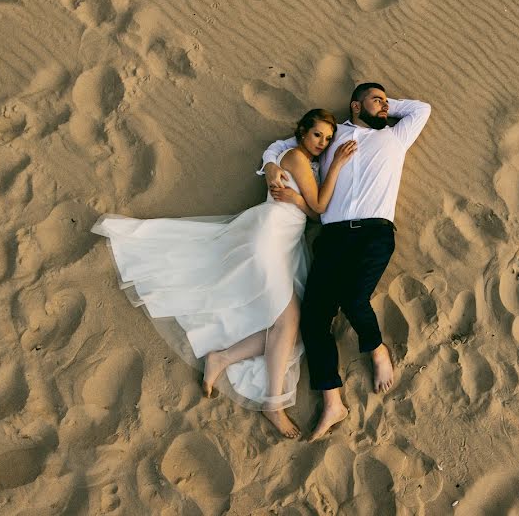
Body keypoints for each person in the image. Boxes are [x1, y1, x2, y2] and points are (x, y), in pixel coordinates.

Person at [91, 109, 355, 438]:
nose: (323, 142)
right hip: (269, 237)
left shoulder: (295, 158)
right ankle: (273, 404)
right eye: (318, 135)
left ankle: (222, 358)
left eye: (328, 139)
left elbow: (311, 212)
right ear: (302, 133)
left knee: (294, 327)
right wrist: (336, 167)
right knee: (287, 321)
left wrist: (298, 197)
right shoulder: (297, 157)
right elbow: (319, 207)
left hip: (286, 243)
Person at [262, 83, 431, 440]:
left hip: (374, 233)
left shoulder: (396, 137)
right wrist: (270, 164)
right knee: (313, 320)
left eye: (386, 102)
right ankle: (332, 403)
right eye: (376, 100)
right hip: (333, 237)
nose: (384, 106)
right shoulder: (334, 135)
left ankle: (376, 348)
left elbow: (422, 110)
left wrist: (385, 105)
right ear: (355, 105)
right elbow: (283, 146)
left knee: (355, 298)